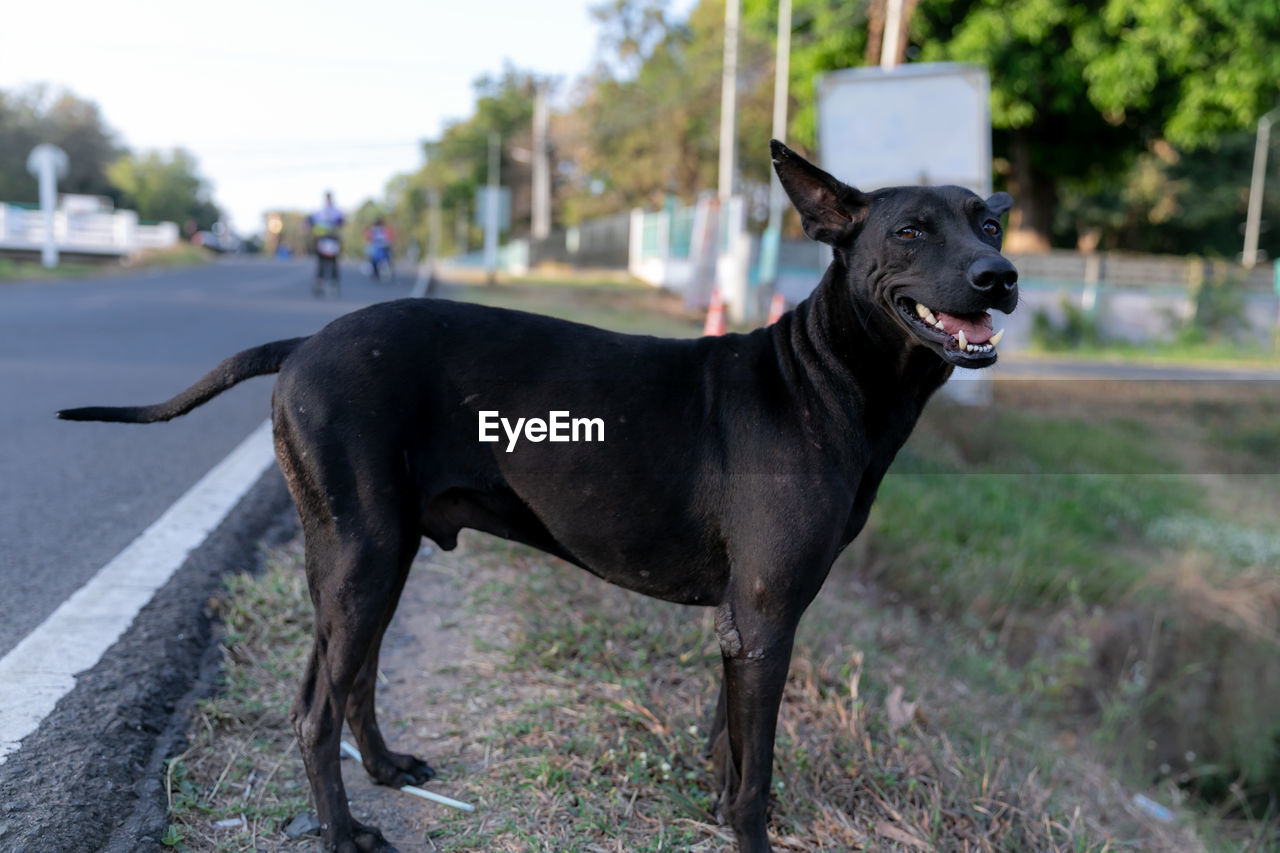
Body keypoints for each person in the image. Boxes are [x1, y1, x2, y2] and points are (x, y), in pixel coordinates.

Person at [305, 192, 345, 297]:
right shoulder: (320, 212)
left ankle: (333, 284)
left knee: (333, 263)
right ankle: (320, 284)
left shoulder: (336, 211)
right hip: (322, 240)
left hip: (332, 240)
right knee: (321, 263)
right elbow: (310, 221)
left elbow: (341, 222)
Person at [364, 217, 396, 282]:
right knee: (376, 260)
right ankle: (377, 272)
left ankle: (378, 272)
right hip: (379, 247)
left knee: (378, 259)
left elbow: (368, 238)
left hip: (381, 247)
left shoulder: (380, 230)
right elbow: (369, 238)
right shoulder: (375, 230)